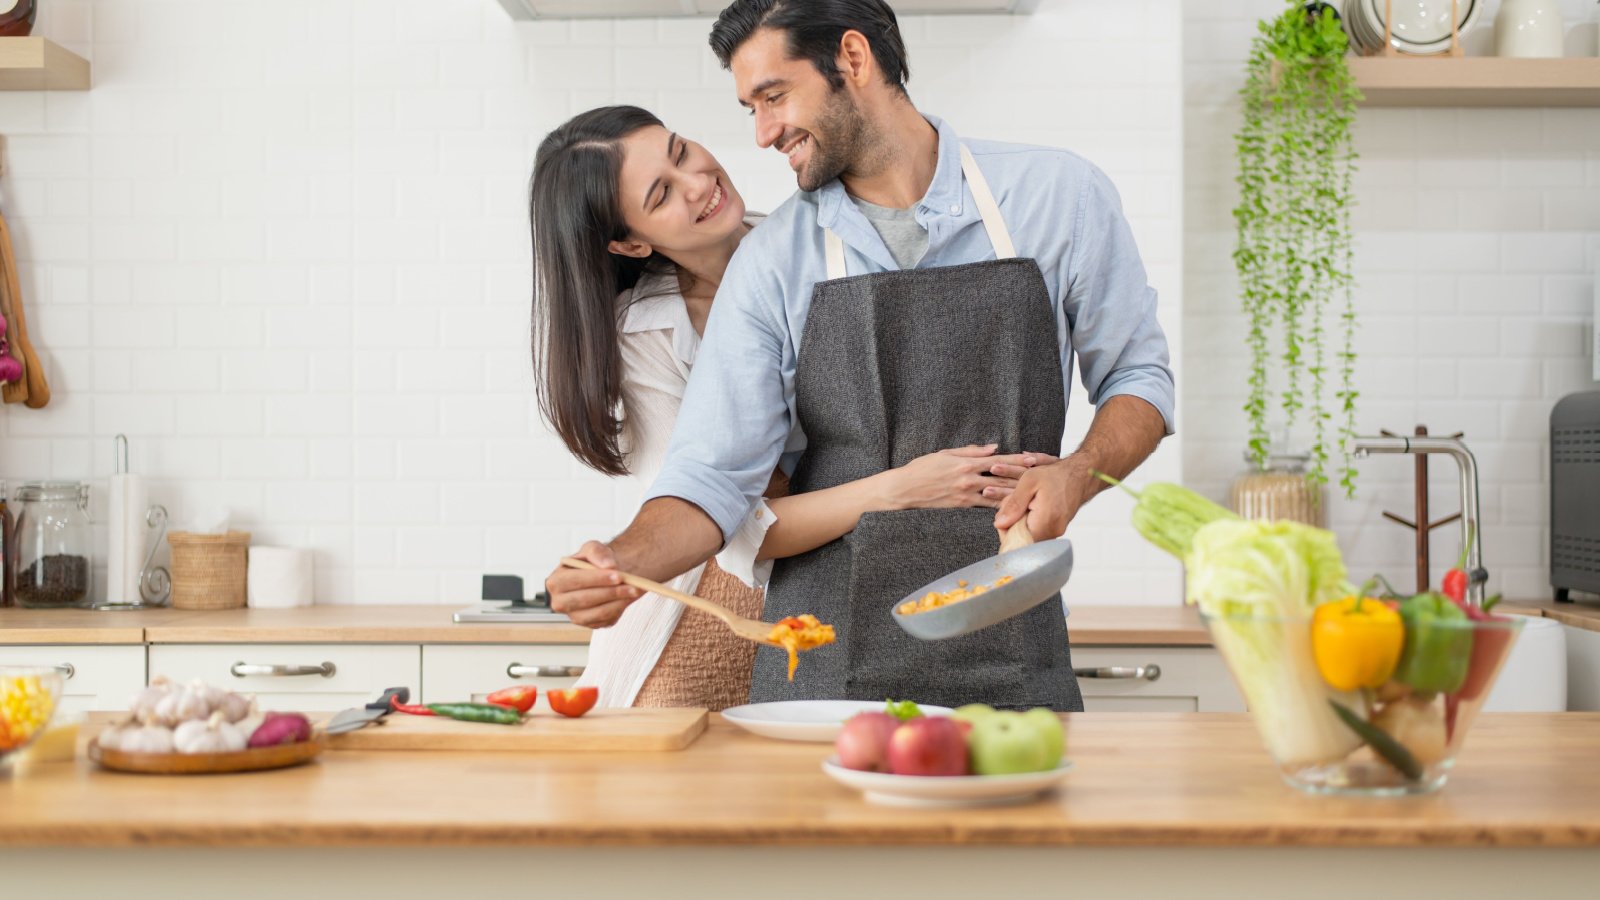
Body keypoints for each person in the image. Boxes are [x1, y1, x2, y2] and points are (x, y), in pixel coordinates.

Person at [544, 0, 1175, 711]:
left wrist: (1081, 474)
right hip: (823, 662)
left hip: (1009, 638)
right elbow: (713, 477)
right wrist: (622, 561)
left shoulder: (1059, 196)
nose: (761, 133)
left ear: (852, 59)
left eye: (774, 97)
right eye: (751, 107)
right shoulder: (771, 261)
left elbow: (1138, 376)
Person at [529, 105, 1052, 710]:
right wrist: (903, 487)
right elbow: (739, 531)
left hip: (839, 606)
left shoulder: (808, 245)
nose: (699, 183)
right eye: (663, 193)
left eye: (680, 151)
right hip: (699, 634)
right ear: (630, 241)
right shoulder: (645, 339)